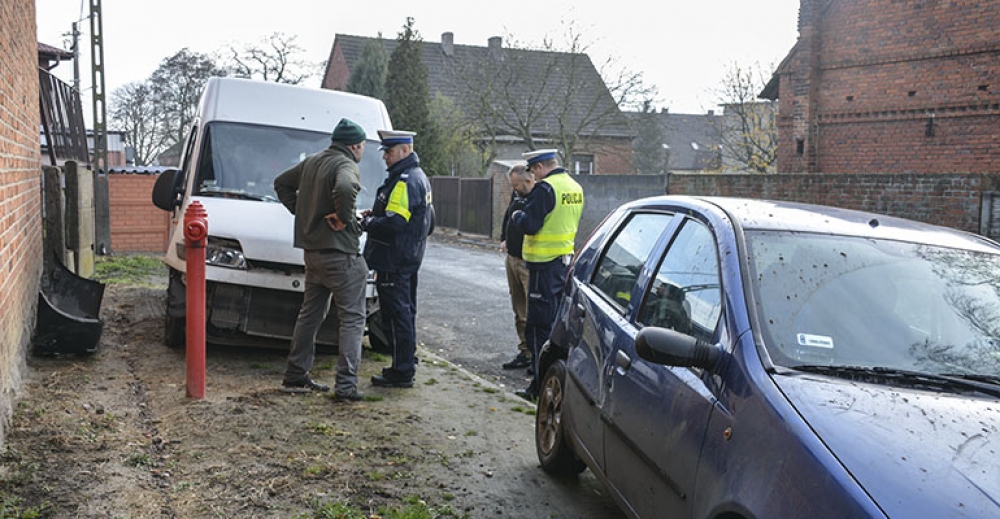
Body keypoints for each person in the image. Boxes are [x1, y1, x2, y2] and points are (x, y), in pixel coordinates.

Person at [273, 118, 369, 402]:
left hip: (313, 254)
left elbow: (281, 184)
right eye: (363, 146)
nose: (362, 151)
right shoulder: (346, 164)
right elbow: (346, 188)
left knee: (310, 315)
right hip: (341, 256)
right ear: (354, 146)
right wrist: (345, 218)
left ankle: (295, 375)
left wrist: (303, 213)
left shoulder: (312, 162)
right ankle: (346, 386)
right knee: (352, 319)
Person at [360, 130, 434, 388]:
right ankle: (406, 361)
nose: (385, 157)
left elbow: (394, 223)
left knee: (398, 315)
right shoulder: (418, 176)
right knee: (406, 312)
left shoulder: (404, 181)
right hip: (407, 257)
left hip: (394, 259)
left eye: (389, 152)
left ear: (404, 150)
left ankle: (402, 370)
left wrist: (368, 222)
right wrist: (376, 214)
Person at [511, 149, 584, 401]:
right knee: (556, 322)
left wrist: (517, 215)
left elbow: (530, 224)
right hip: (563, 263)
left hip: (543, 265)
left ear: (540, 167)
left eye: (534, 170)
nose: (533, 176)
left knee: (538, 327)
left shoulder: (546, 189)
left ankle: (539, 386)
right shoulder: (574, 187)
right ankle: (554, 381)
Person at [500, 165, 535, 371]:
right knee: (519, 308)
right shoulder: (518, 194)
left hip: (527, 261)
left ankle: (535, 354)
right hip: (512, 257)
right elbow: (509, 215)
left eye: (516, 185)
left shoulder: (537, 197)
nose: (514, 189)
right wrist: (504, 238)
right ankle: (524, 351)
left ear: (528, 180)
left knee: (531, 311)